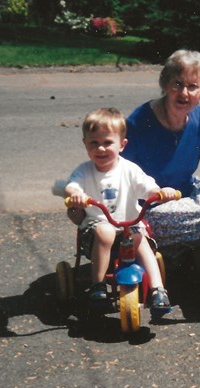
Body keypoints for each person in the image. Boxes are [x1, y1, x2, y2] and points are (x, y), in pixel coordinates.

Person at [64, 107, 179, 316]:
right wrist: (75, 194)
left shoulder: (129, 169)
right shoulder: (84, 171)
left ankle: (158, 290)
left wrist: (161, 192)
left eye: (107, 142)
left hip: (129, 225)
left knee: (140, 239)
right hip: (96, 229)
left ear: (122, 145)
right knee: (105, 232)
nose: (100, 149)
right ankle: (98, 286)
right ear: (85, 145)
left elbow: (148, 187)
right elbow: (72, 185)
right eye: (94, 143)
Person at [122, 49, 200, 249]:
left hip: (186, 196)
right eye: (177, 84)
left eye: (192, 87)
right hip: (151, 206)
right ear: (165, 85)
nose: (184, 93)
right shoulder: (139, 121)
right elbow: (117, 170)